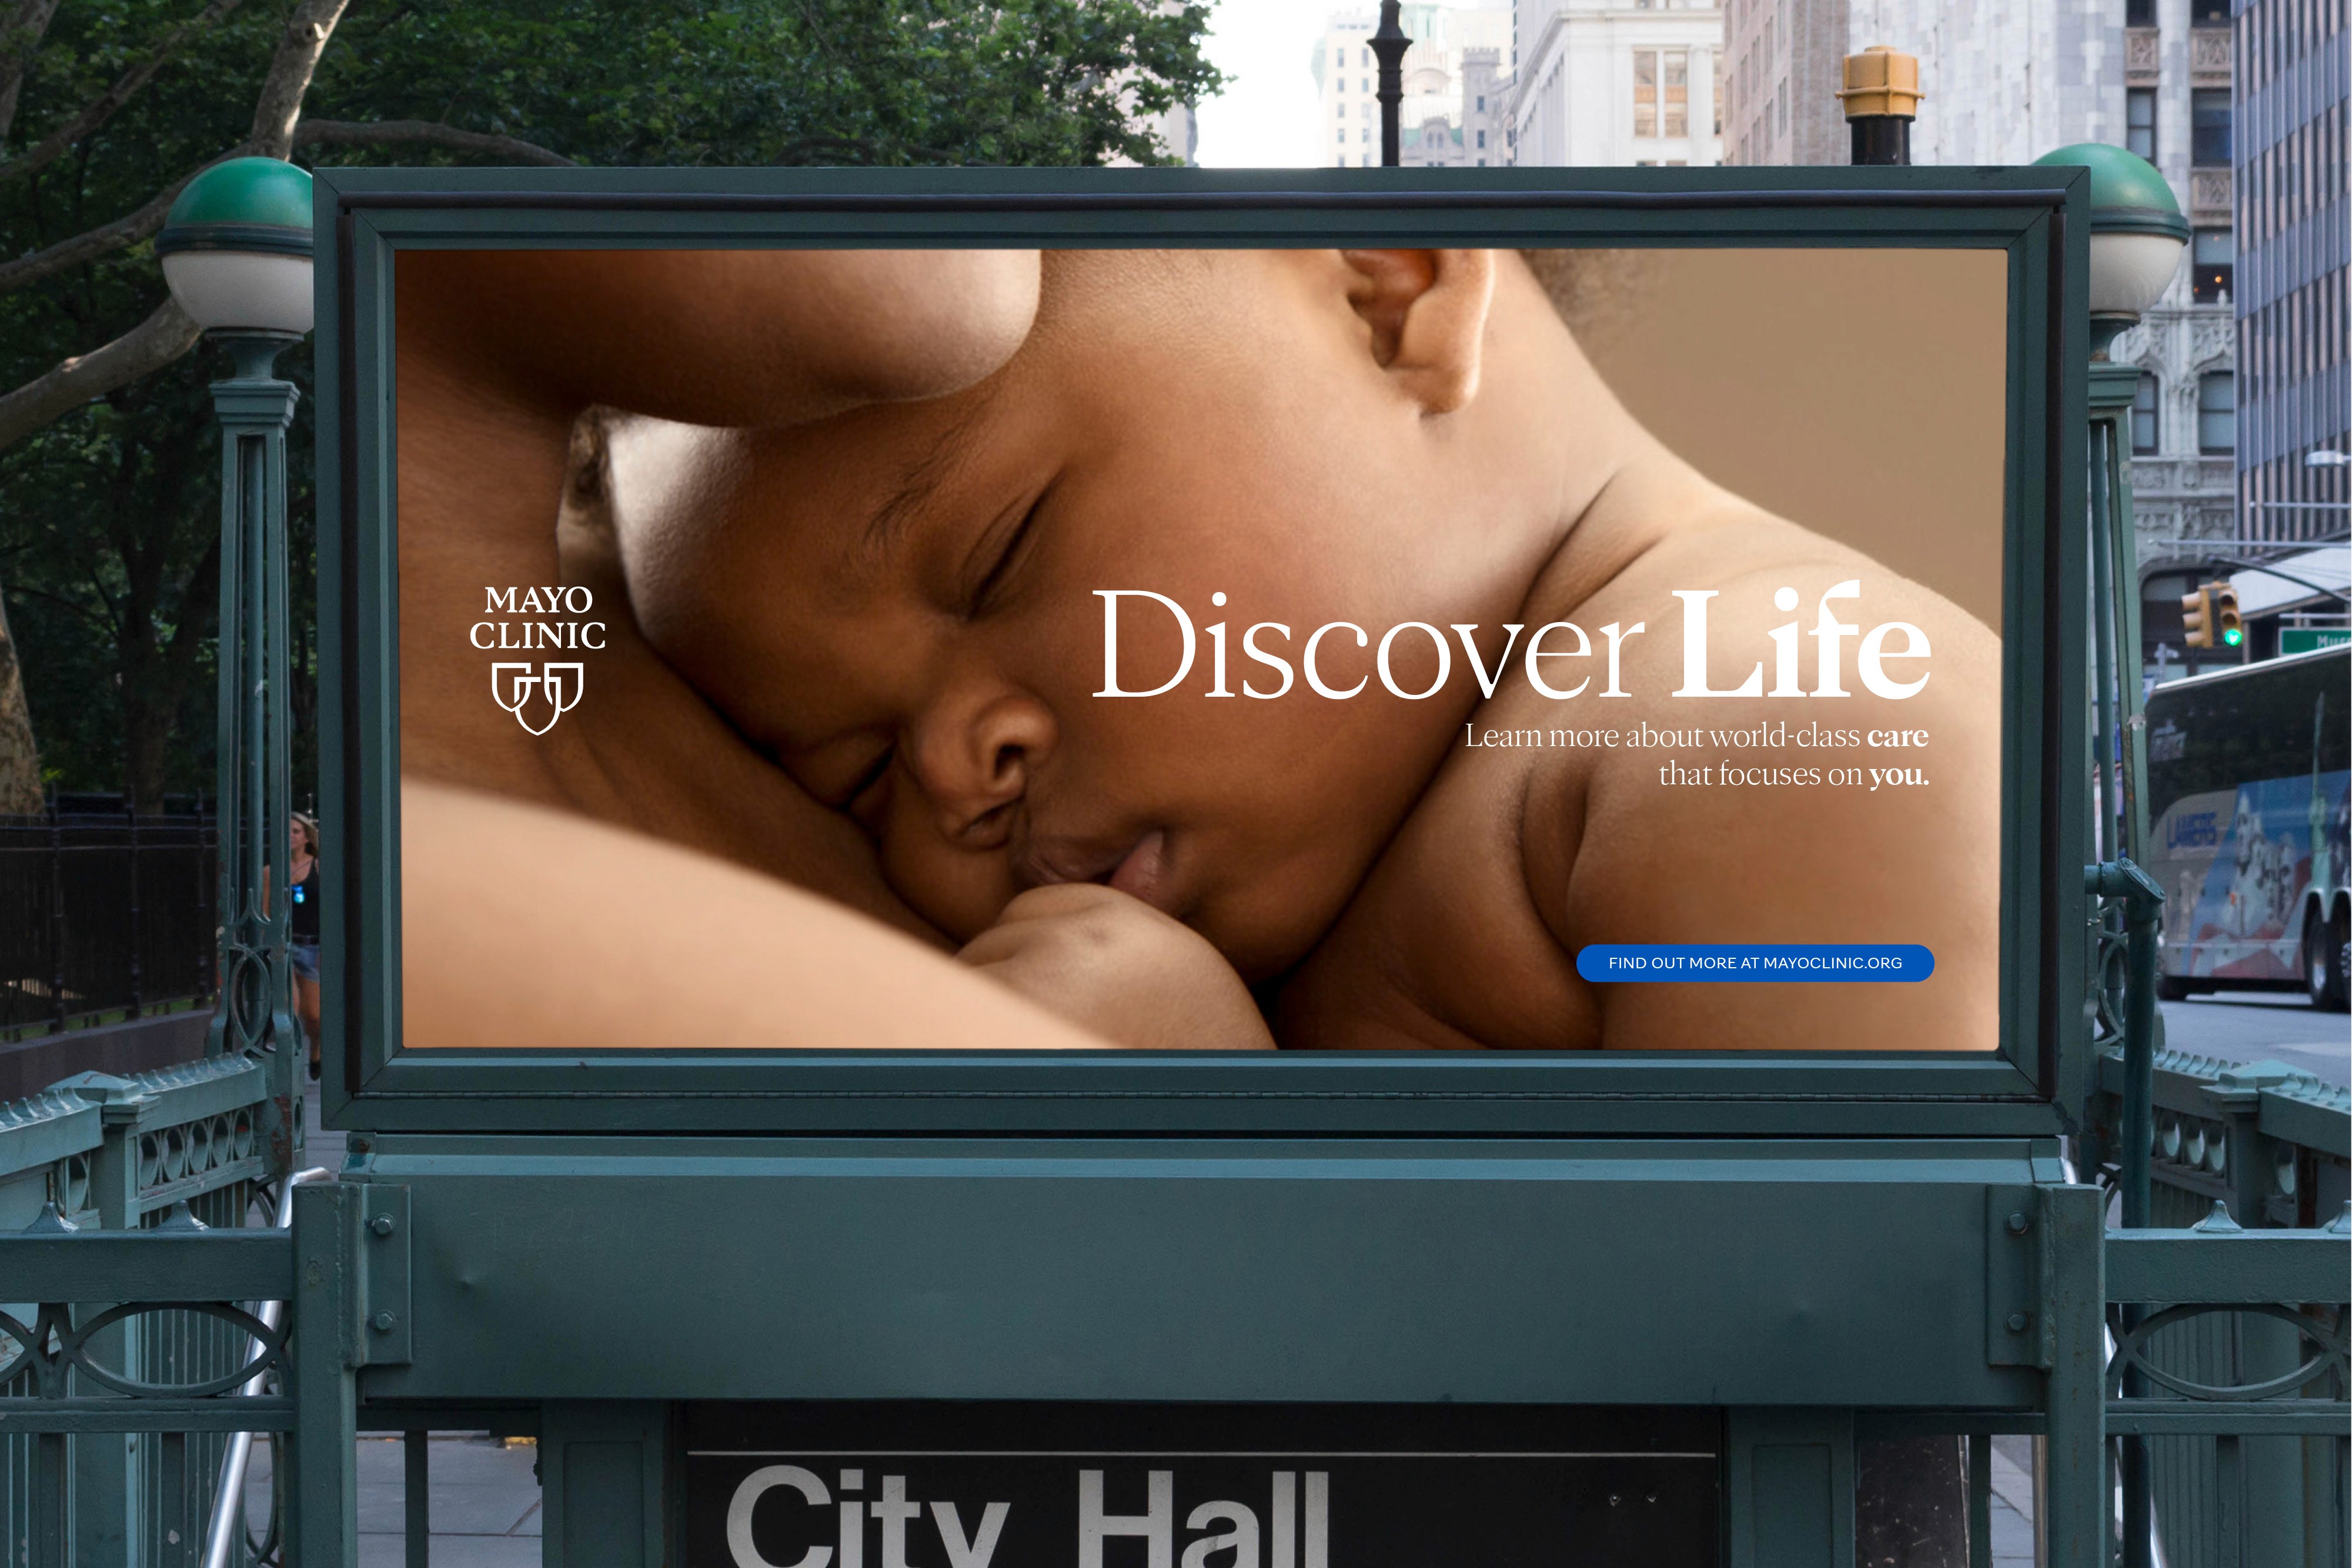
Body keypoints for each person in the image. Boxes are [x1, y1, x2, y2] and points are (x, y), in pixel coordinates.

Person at [399, 246, 1998, 1054]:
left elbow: (1799, 1371)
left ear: (1388, 293)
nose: (956, 771)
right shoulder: (1355, 798)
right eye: (855, 774)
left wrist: (1206, 1141)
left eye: (1000, 552)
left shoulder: (1782, 706)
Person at [287, 812, 323, 1074]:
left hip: (313, 946)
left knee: (313, 1015)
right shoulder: (272, 871)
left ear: (307, 837)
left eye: (296, 831)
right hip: (286, 946)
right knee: (290, 1008)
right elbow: (265, 912)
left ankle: (316, 1050)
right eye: (287, 831)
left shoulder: (319, 867)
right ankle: (289, 1064)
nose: (290, 836)